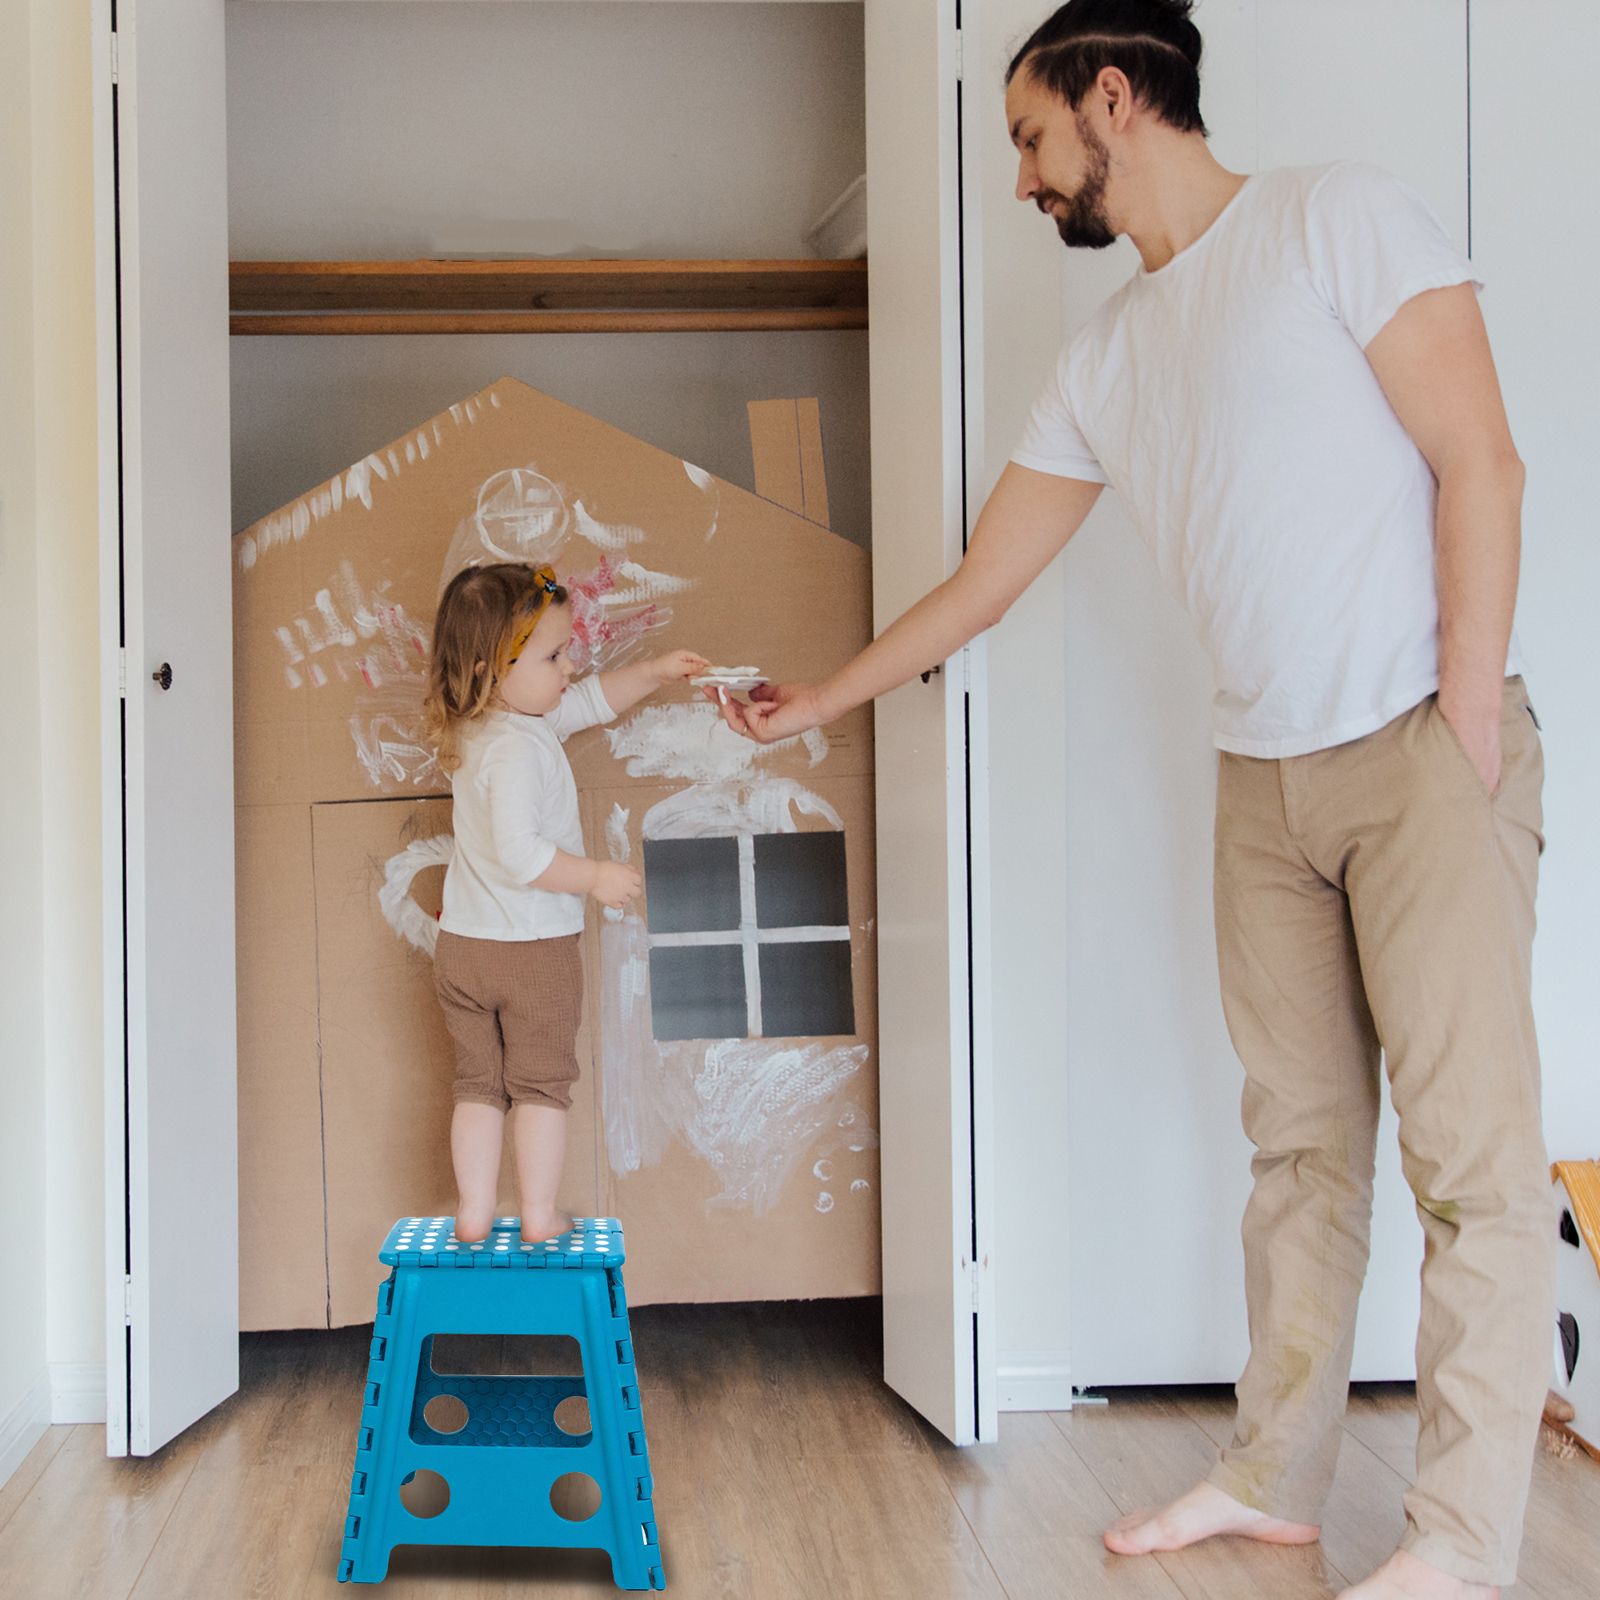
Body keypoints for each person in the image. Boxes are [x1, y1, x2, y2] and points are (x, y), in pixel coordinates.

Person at [712, 3, 1551, 1596]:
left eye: (1032, 138)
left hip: (1423, 749)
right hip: (1266, 779)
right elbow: (985, 584)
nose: (1025, 180)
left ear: (1113, 96)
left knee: (1472, 1170)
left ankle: (1462, 1546)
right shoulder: (1109, 354)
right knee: (1300, 1156)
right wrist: (823, 697)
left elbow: (1483, 464)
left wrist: (1461, 715)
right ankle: (1277, 1477)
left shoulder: (1334, 215)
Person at [423, 560, 706, 1245]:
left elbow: (592, 700)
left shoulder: (484, 729)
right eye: (553, 654)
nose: (569, 665)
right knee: (541, 1089)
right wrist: (595, 877)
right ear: (495, 668)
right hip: (532, 954)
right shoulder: (521, 750)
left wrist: (657, 671)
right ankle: (539, 1216)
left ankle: (474, 1212)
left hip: (463, 947)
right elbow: (523, 856)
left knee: (478, 1086)